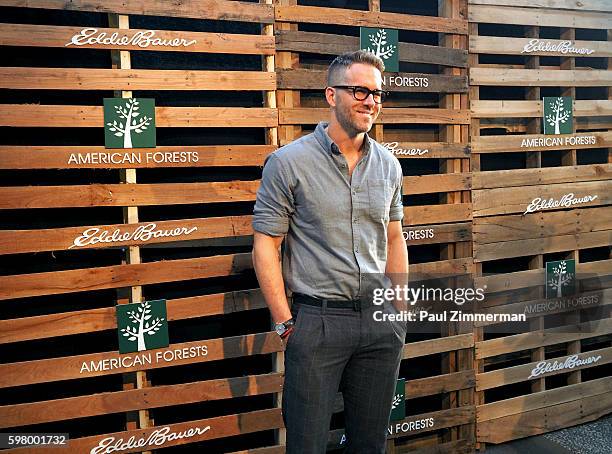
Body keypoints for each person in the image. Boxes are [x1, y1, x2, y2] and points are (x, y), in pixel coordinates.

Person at [252, 50, 409, 454]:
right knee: (306, 444)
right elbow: (266, 244)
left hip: (379, 322)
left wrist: (399, 308)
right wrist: (286, 324)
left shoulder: (390, 165)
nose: (370, 101)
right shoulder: (288, 163)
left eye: (376, 93)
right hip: (317, 323)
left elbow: (394, 238)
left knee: (370, 444)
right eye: (358, 91)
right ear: (331, 95)